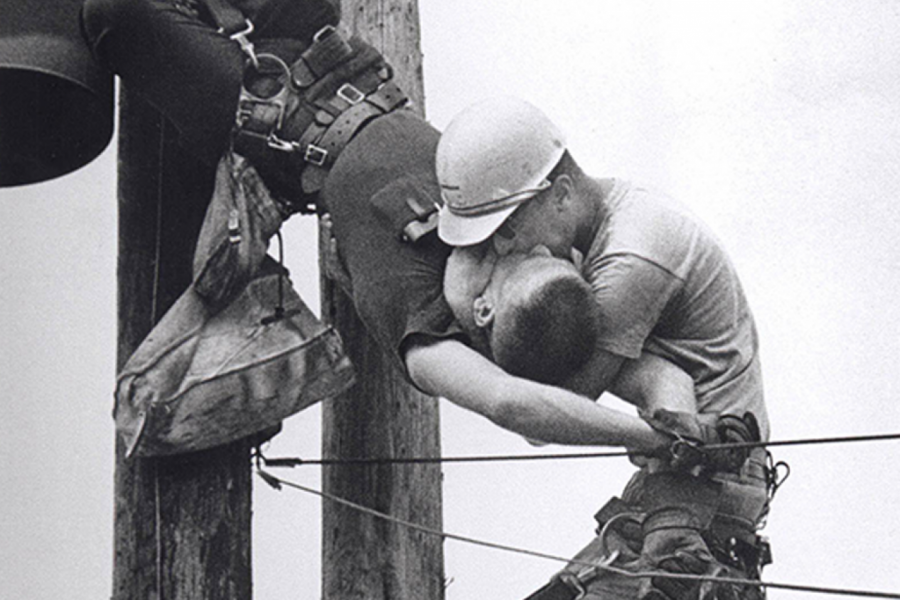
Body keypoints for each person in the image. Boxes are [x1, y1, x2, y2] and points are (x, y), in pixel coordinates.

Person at [79, 0, 697, 454]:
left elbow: (515, 405)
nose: (517, 241)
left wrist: (638, 441)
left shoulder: (430, 334)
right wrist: (678, 426)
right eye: (541, 251)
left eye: (517, 261)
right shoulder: (498, 242)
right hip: (329, 55)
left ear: (484, 313)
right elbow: (658, 374)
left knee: (114, 11)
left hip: (260, 112)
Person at [435, 97, 776, 600]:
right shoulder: (590, 225)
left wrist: (469, 304)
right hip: (674, 473)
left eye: (505, 228)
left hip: (707, 485)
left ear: (561, 194)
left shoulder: (630, 261)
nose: (502, 248)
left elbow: (546, 413)